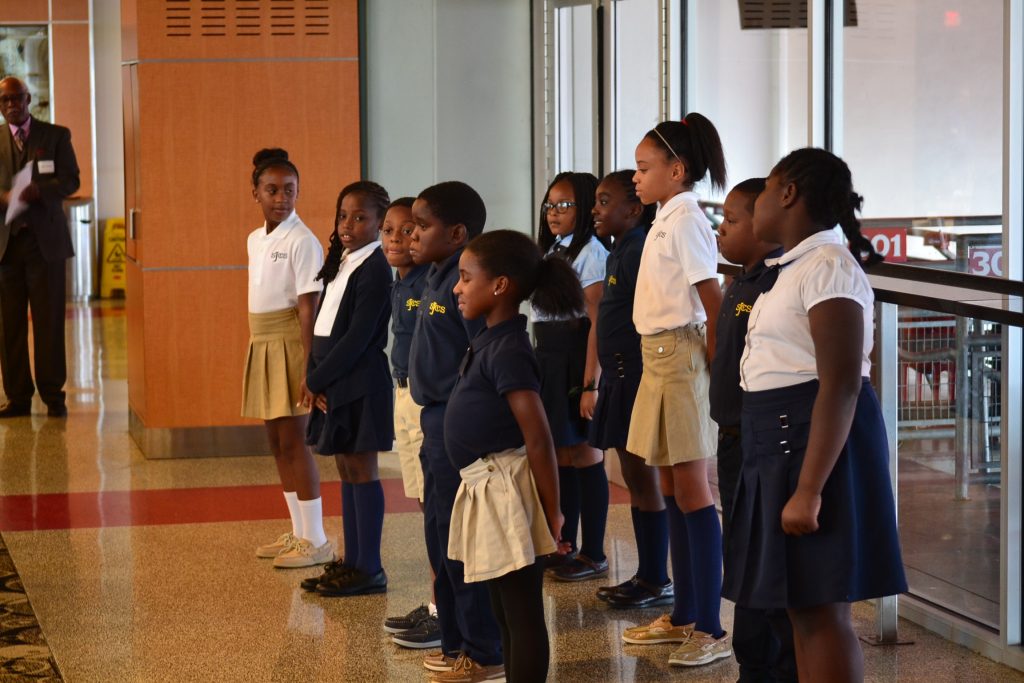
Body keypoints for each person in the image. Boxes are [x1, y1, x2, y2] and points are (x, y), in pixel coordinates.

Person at [722, 148, 907, 682]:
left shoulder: (828, 266)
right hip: (780, 436)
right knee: (802, 606)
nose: (753, 203)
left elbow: (843, 381)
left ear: (787, 194)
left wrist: (809, 489)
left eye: (765, 188)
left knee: (821, 610)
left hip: (811, 443)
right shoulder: (795, 264)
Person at [621, 114, 732, 668]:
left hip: (681, 359)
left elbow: (712, 305)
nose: (635, 178)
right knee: (669, 487)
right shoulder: (666, 215)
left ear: (677, 169)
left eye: (644, 168)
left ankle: (711, 627)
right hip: (655, 359)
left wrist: (719, 377)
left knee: (693, 492)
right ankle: (684, 613)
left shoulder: (687, 218)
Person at [446, 229, 578, 683]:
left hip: (508, 486)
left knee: (521, 614)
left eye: (466, 278)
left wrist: (552, 511)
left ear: (500, 285)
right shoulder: (490, 338)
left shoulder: (509, 349)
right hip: (488, 483)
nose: (456, 287)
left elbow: (538, 437)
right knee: (503, 610)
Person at [407, 181, 504, 681]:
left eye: (423, 225)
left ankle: (483, 650)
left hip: (454, 420)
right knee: (437, 538)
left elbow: (481, 356)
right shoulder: (433, 276)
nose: (411, 233)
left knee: (460, 541)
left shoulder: (463, 283)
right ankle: (455, 641)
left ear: (458, 232)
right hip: (431, 419)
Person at [711, 178, 796, 682]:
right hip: (732, 439)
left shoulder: (776, 282)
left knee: (764, 559)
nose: (721, 230)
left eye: (732, 221)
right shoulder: (739, 281)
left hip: (760, 442)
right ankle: (752, 660)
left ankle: (775, 663)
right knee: (740, 552)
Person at [301, 181, 395, 596]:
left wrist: (316, 380)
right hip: (334, 381)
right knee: (344, 468)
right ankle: (352, 561)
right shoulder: (342, 259)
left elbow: (357, 338)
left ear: (379, 224)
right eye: (343, 216)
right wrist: (312, 372)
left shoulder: (375, 267)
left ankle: (369, 567)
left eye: (360, 217)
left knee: (361, 469)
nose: (348, 225)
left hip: (358, 383)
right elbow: (322, 325)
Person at [586, 170, 672, 610]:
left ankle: (657, 577)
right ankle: (648, 574)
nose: (595, 210)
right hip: (620, 377)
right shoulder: (619, 250)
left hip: (637, 376)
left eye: (604, 202)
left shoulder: (639, 249)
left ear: (634, 210)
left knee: (644, 478)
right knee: (636, 479)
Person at [242, 149, 330, 569]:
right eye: (272, 190)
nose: (281, 198)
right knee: (276, 441)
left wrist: (310, 368)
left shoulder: (303, 240)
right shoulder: (255, 239)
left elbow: (307, 308)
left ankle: (316, 539)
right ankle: (297, 534)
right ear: (255, 191)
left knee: (295, 441)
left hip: (291, 343)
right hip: (261, 341)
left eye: (289, 190)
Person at [533, 172, 612, 582]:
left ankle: (595, 551)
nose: (554, 213)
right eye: (549, 205)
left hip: (575, 356)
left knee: (585, 454)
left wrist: (589, 384)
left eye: (564, 205)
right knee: (562, 453)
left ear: (584, 208)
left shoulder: (592, 253)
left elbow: (596, 321)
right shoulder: (554, 252)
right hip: (547, 356)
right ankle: (567, 545)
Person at [379, 197, 441, 650]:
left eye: (410, 230)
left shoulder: (431, 281)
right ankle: (441, 598)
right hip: (402, 392)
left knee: (437, 507)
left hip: (424, 398)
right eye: (390, 230)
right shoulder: (399, 283)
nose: (399, 240)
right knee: (422, 500)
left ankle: (446, 609)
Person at [0, 76, 80, 418]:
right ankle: (17, 397)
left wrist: (41, 191)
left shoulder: (56, 135)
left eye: (16, 98)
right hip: (6, 247)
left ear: (29, 98)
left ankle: (53, 396)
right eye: (4, 101)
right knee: (8, 325)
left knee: (48, 322)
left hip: (45, 245)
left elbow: (71, 180)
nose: (11, 105)